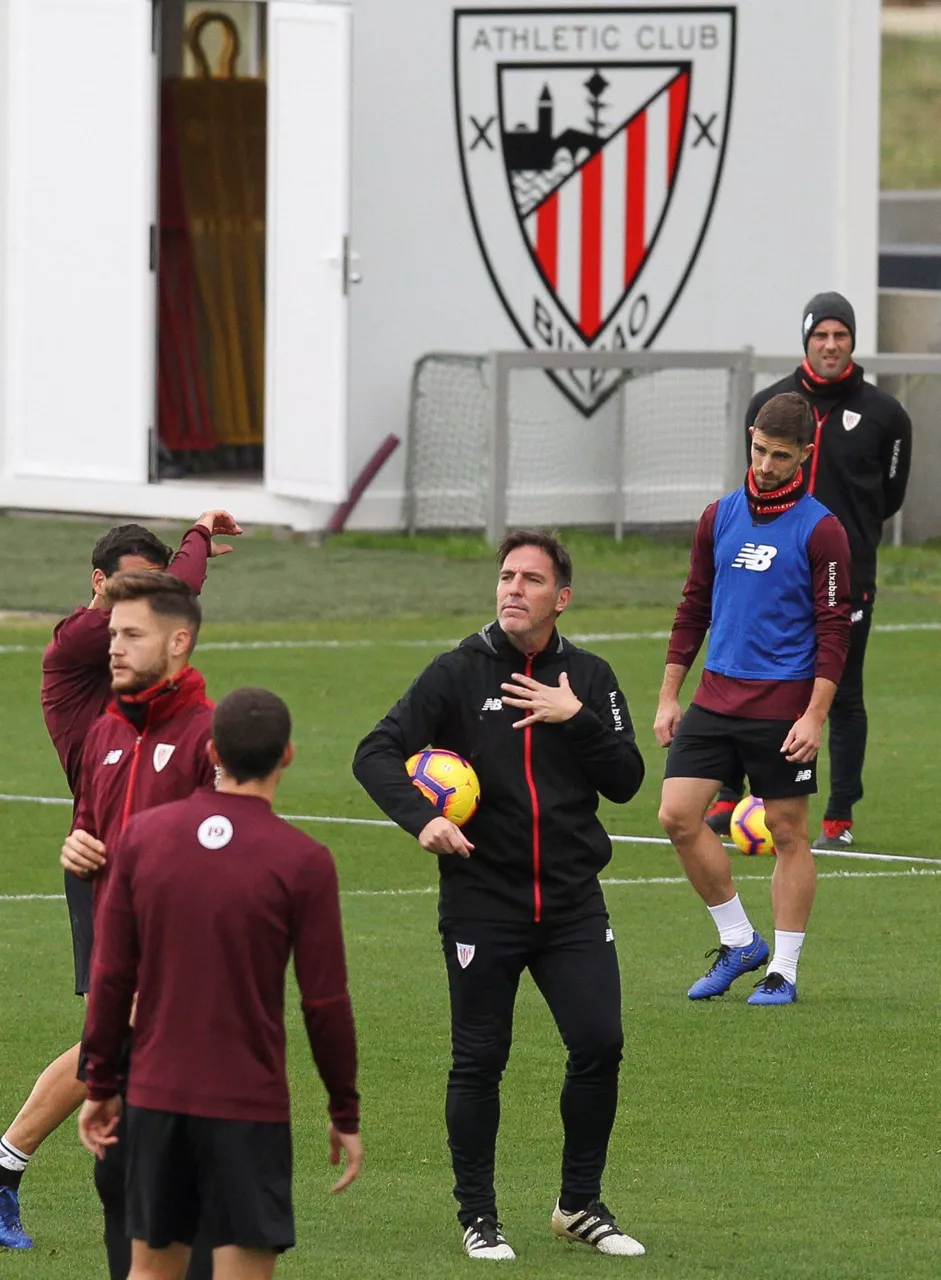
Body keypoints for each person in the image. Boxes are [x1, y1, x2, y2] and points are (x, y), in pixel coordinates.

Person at [353, 530, 646, 1261]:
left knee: (599, 1043)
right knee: (479, 1059)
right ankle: (478, 1217)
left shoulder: (590, 675)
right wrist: (423, 821)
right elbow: (374, 752)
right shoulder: (456, 673)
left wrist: (571, 715)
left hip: (573, 903)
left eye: (531, 579)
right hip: (483, 902)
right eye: (506, 576)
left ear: (562, 597)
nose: (513, 589)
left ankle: (578, 1205)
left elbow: (628, 780)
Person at [0, 511, 239, 1253]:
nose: (141, 605)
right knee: (128, 1026)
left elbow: (179, 595)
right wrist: (194, 541)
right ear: (98, 585)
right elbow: (172, 593)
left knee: (141, 1027)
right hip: (99, 861)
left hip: (167, 864)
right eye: (127, 589)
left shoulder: (146, 653)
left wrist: (195, 538)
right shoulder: (77, 645)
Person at [79, 687, 361, 1280]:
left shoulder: (144, 839)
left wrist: (101, 1085)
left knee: (151, 1273)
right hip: (248, 1107)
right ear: (286, 756)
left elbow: (109, 976)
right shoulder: (303, 860)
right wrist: (343, 1109)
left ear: (211, 751)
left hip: (155, 1100)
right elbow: (325, 1005)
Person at [655, 393, 852, 1006]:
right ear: (750, 438)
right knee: (677, 817)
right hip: (716, 699)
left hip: (782, 708)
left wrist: (815, 715)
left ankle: (783, 972)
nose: (766, 465)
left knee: (788, 833)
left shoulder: (822, 530)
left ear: (805, 456)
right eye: (760, 450)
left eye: (781, 456)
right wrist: (669, 695)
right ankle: (740, 941)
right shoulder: (719, 517)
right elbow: (693, 608)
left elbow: (835, 630)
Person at [704, 292, 912, 848]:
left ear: (853, 341)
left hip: (847, 576)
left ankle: (838, 817)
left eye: (840, 335)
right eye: (820, 334)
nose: (830, 344)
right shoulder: (769, 405)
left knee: (842, 693)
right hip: (766, 572)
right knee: (743, 675)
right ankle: (728, 795)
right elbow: (753, 480)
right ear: (805, 339)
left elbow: (888, 497)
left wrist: (842, 541)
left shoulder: (887, 415)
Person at [62, 570, 219, 1279]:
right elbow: (91, 835)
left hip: (185, 1003)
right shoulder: (103, 735)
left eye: (130, 634)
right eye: (111, 634)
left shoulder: (209, 739)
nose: (113, 648)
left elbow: (228, 873)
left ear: (178, 641)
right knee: (115, 1179)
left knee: (178, 1189)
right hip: (117, 992)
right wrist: (78, 848)